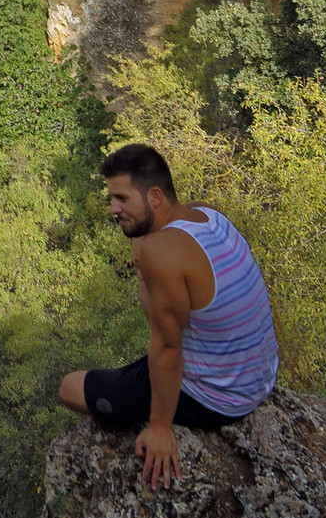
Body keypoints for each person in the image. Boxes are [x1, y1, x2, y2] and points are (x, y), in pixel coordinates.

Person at [59, 142, 278, 490]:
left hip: (219, 398)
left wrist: (160, 426)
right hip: (261, 379)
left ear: (155, 197)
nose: (113, 209)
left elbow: (166, 346)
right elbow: (173, 315)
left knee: (70, 387)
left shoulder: (162, 252)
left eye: (122, 199)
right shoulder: (208, 216)